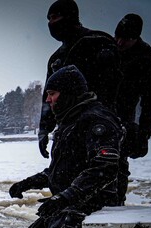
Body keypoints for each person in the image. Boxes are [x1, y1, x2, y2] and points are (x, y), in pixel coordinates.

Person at [10, 66, 123, 228]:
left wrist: (66, 197)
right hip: (68, 205)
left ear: (69, 93)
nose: (48, 100)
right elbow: (62, 170)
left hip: (90, 206)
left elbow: (104, 168)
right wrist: (26, 183)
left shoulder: (96, 120)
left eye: (52, 94)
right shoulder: (69, 122)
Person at [37, 0, 122, 159]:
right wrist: (44, 129)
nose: (51, 23)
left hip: (99, 126)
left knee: (103, 171)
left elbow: (118, 88)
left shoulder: (98, 42)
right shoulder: (57, 58)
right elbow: (49, 96)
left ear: (70, 17)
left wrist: (119, 123)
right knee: (63, 175)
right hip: (68, 129)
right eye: (49, 19)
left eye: (55, 17)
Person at [114, 13, 151, 202]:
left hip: (123, 117)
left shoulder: (149, 61)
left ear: (136, 38)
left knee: (116, 162)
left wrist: (143, 135)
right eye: (116, 37)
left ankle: (116, 204)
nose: (119, 43)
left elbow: (150, 104)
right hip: (98, 110)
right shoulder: (108, 49)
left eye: (125, 40)